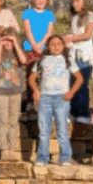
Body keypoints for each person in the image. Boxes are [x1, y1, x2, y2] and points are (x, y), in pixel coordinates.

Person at [29, 34, 82, 166]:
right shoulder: (42, 59)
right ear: (48, 46)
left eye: (59, 44)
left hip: (62, 98)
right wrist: (36, 90)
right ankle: (42, 157)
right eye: (52, 44)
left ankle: (65, 157)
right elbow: (31, 78)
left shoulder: (68, 59)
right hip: (45, 98)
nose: (56, 47)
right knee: (43, 129)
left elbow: (79, 78)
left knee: (62, 129)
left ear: (63, 46)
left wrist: (71, 92)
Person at [64, 0, 93, 123]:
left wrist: (71, 38)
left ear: (85, 2)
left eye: (78, 1)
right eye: (73, 1)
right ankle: (73, 111)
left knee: (82, 84)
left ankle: (83, 113)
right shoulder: (74, 17)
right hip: (73, 54)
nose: (74, 4)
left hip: (85, 56)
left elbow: (87, 35)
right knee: (72, 83)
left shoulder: (90, 15)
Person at [0, 29, 27, 161]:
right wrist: (0, 45)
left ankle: (12, 147)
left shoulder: (18, 53)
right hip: (1, 92)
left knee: (13, 121)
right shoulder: (0, 53)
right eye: (5, 39)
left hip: (16, 91)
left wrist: (15, 44)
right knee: (3, 120)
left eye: (10, 40)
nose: (8, 42)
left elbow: (23, 61)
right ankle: (3, 148)